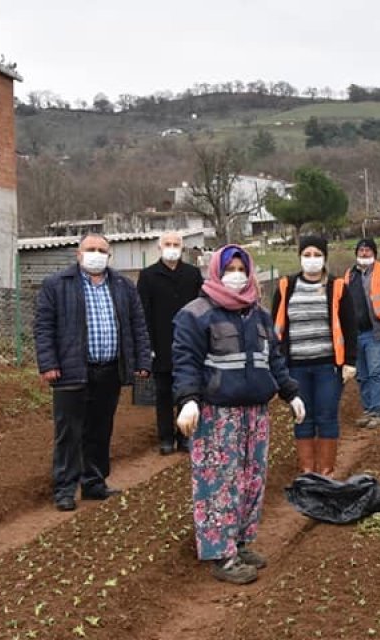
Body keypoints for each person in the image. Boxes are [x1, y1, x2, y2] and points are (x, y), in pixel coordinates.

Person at [172, 244, 306, 584]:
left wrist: (291, 393)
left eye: (241, 269)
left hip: (255, 412)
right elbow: (185, 361)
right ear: (216, 271)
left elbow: (273, 359)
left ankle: (242, 541)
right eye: (229, 269)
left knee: (252, 480)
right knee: (219, 482)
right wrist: (188, 399)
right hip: (218, 413)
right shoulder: (196, 313)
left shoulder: (259, 315)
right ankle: (222, 554)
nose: (236, 275)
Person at [34, 233, 151, 512]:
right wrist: (48, 363)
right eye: (90, 249)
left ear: (109, 256)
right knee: (69, 432)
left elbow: (138, 325)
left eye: (101, 250)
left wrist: (142, 360)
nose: (96, 254)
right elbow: (43, 327)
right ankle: (65, 488)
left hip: (109, 369)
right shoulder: (57, 285)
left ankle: (94, 482)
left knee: (100, 429)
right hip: (71, 371)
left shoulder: (123, 285)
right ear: (78, 254)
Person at [269, 235, 358, 477]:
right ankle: (307, 471)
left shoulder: (337, 287)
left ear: (324, 257)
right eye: (307, 255)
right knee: (302, 417)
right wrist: (276, 363)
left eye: (316, 255)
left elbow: (350, 327)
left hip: (328, 366)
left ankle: (326, 472)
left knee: (327, 415)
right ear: (299, 257)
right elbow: (275, 327)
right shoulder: (286, 287)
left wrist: (350, 361)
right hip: (295, 367)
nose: (312, 260)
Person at [137, 231, 204, 455]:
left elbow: (202, 307)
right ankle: (165, 438)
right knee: (164, 393)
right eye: (168, 244)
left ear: (182, 248)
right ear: (159, 247)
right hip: (161, 344)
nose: (172, 247)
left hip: (189, 343)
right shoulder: (148, 276)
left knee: (187, 391)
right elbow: (143, 314)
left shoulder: (193, 274)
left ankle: (184, 435)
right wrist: (148, 347)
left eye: (176, 244)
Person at [346, 238, 380, 428]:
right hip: (355, 333)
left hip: (377, 330)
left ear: (374, 253)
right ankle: (368, 409)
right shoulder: (349, 275)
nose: (363, 253)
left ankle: (379, 411)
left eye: (367, 250)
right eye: (361, 250)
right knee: (361, 374)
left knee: (377, 372)